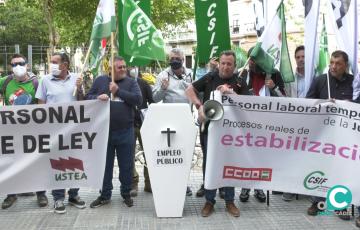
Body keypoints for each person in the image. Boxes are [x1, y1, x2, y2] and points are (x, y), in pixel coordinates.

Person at [186, 50, 249, 217]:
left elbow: (249, 105)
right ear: (219, 63)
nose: (226, 67)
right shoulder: (209, 78)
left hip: (231, 133)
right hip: (210, 131)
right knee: (210, 164)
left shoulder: (240, 81)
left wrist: (232, 94)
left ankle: (230, 201)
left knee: (229, 166)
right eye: (223, 63)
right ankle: (209, 201)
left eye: (229, 64)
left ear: (235, 66)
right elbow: (189, 90)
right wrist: (199, 106)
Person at [87, 56, 142, 209]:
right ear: (110, 69)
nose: (124, 69)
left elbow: (138, 100)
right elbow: (87, 97)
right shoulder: (100, 81)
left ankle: (126, 193)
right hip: (104, 132)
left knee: (126, 165)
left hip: (126, 131)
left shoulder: (131, 83)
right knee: (105, 166)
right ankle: (105, 195)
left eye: (124, 66)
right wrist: (97, 97)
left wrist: (118, 91)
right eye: (120, 67)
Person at [35, 52, 85, 214]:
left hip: (73, 130)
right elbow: (40, 105)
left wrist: (80, 88)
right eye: (51, 62)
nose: (52, 65)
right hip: (54, 131)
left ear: (65, 65)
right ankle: (58, 198)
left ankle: (73, 195)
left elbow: (84, 103)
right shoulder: (45, 80)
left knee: (75, 162)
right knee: (58, 163)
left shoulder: (77, 78)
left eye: (55, 62)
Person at [306, 50, 353, 220]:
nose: (333, 66)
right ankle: (317, 202)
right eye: (332, 62)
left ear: (345, 66)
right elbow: (308, 103)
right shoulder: (320, 80)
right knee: (322, 169)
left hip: (346, 137)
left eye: (338, 63)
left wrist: (350, 105)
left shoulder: (354, 82)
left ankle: (340, 205)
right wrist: (324, 104)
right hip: (324, 136)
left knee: (342, 171)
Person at [238, 47, 286, 203]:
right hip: (245, 122)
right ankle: (245, 187)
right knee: (246, 156)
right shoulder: (243, 73)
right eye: (249, 59)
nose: (251, 62)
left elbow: (284, 99)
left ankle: (259, 187)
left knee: (261, 157)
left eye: (254, 59)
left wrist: (273, 87)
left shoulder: (274, 74)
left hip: (267, 124)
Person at [0, 54, 48, 209]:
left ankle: (41, 193)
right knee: (11, 162)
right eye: (14, 64)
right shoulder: (5, 82)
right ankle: (11, 194)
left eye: (20, 63)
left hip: (33, 132)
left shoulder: (36, 82)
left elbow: (43, 105)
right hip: (12, 132)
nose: (17, 67)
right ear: (10, 67)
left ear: (27, 65)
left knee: (37, 162)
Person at [152, 48, 193, 196]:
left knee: (185, 152)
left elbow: (198, 94)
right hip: (168, 121)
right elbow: (155, 98)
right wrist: (163, 89)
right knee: (171, 153)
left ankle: (184, 183)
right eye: (172, 58)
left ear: (183, 59)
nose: (174, 60)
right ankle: (170, 181)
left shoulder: (190, 74)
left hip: (186, 118)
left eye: (177, 58)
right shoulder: (162, 75)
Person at [282, 45, 305, 201]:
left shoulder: (317, 76)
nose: (301, 59)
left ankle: (307, 188)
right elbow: (285, 98)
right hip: (294, 121)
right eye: (298, 57)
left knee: (309, 155)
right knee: (292, 154)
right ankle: (289, 187)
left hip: (313, 122)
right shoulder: (289, 77)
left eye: (303, 56)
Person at [128, 66, 154, 196]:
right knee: (129, 155)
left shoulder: (144, 83)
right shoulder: (124, 84)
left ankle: (149, 183)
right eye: (130, 66)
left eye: (135, 66)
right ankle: (133, 183)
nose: (133, 69)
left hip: (145, 125)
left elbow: (152, 102)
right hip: (129, 124)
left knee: (148, 154)